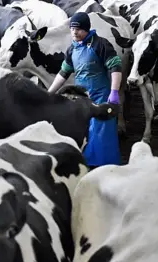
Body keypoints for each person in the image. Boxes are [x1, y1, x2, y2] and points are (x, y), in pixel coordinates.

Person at [48, 12, 122, 168]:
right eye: (72, 29)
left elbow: (115, 67)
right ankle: (86, 165)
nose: (75, 32)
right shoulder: (72, 49)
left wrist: (114, 92)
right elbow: (63, 73)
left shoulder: (100, 44)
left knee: (101, 132)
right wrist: (49, 94)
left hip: (101, 95)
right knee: (84, 131)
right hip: (81, 97)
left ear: (87, 29)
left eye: (79, 29)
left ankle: (104, 167)